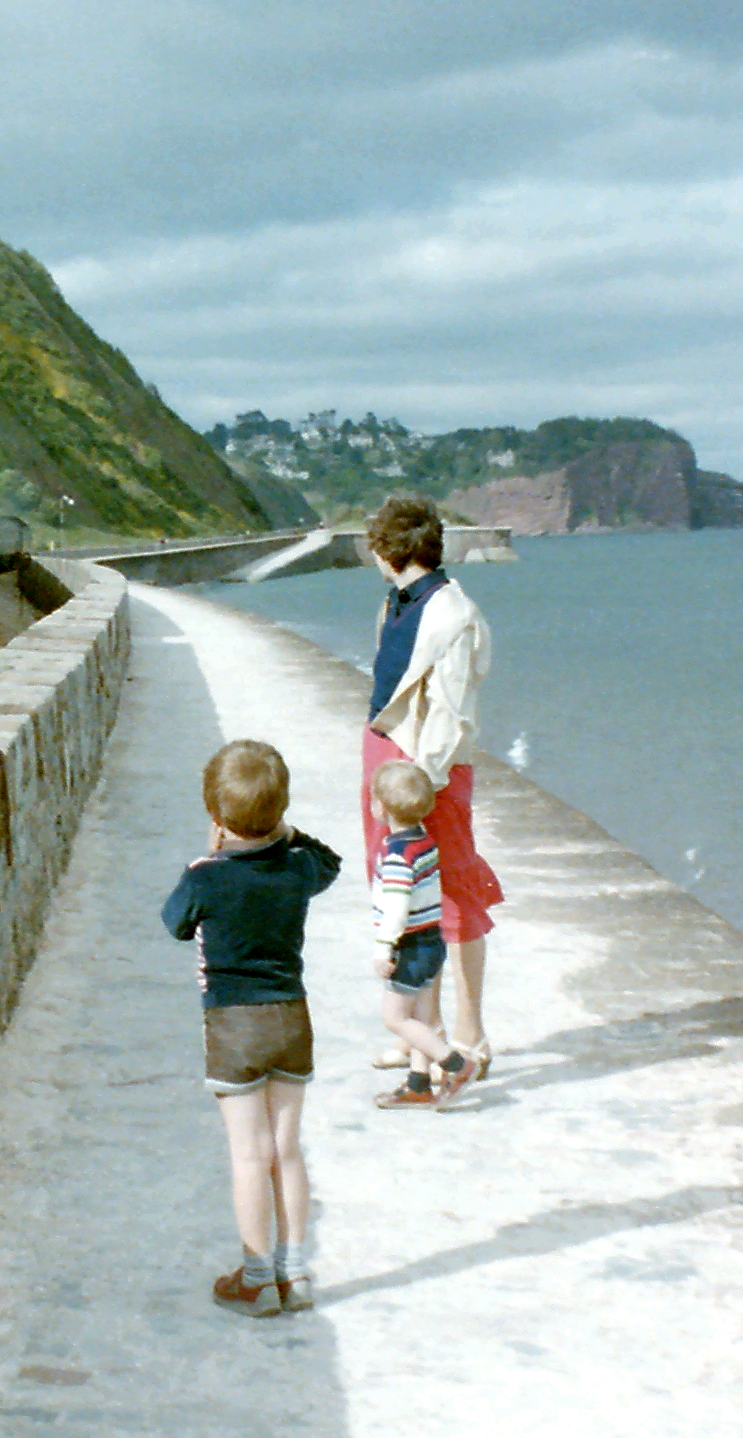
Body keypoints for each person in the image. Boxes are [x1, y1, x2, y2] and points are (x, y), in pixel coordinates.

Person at [161, 739, 341, 1317]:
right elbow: (330, 862)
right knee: (285, 1148)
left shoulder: (206, 877)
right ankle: (295, 1271)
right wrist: (284, 832)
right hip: (292, 1016)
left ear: (216, 818)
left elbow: (174, 924)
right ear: (281, 808)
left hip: (234, 1024)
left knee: (248, 1154)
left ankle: (257, 1277)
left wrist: (210, 854)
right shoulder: (297, 866)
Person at [361, 496, 503, 1078]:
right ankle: (426, 1030)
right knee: (398, 889)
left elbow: (453, 714)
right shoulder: (394, 603)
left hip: (428, 767)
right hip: (386, 752)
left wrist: (424, 779)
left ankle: (470, 1038)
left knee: (454, 897)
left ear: (387, 551)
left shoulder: (453, 614)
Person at [366, 759, 483, 1109]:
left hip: (410, 946)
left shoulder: (397, 855)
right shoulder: (424, 841)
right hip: (433, 941)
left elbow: (396, 908)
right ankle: (419, 1084)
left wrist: (384, 948)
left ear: (381, 808)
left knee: (396, 1018)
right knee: (420, 1017)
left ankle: (457, 1065)